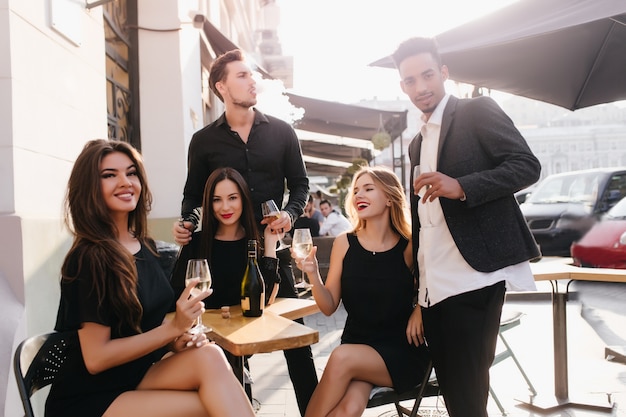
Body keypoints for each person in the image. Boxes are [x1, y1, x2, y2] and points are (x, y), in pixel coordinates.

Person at [46, 139, 255, 417]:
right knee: (211, 406)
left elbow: (142, 328)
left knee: (211, 356)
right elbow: (96, 359)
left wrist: (173, 342)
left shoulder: (144, 247)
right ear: (89, 188)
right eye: (110, 175)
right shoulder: (89, 258)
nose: (125, 182)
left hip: (137, 374)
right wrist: (170, 329)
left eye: (131, 173)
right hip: (91, 396)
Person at [391, 37, 541, 417]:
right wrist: (418, 292)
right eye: (410, 80)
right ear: (402, 86)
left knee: (469, 396)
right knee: (458, 398)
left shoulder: (477, 111)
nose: (421, 87)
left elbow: (526, 165)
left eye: (427, 75)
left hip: (474, 277)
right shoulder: (415, 145)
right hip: (434, 287)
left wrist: (462, 187)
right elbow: (425, 226)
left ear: (443, 73)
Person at [172, 48, 317, 415]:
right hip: (226, 252)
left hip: (272, 252)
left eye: (252, 75)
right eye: (242, 75)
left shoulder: (282, 132)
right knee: (231, 342)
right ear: (221, 86)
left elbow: (300, 185)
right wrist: (186, 223)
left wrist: (289, 213)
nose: (253, 81)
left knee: (296, 345)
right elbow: (193, 196)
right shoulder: (203, 141)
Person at [294, 166, 430, 417]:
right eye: (355, 190)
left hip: (401, 350)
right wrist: (313, 274)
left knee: (342, 358)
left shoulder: (410, 246)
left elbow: (436, 282)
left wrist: (421, 308)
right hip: (357, 345)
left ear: (390, 197)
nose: (358, 195)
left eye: (368, 188)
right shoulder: (344, 243)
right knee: (348, 409)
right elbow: (328, 306)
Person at [171, 167, 281, 309]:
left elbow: (267, 299)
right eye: (217, 200)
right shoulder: (195, 243)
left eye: (232, 198)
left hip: (247, 327)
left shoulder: (255, 244)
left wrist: (271, 244)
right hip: (205, 328)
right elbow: (178, 299)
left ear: (243, 199)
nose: (225, 207)